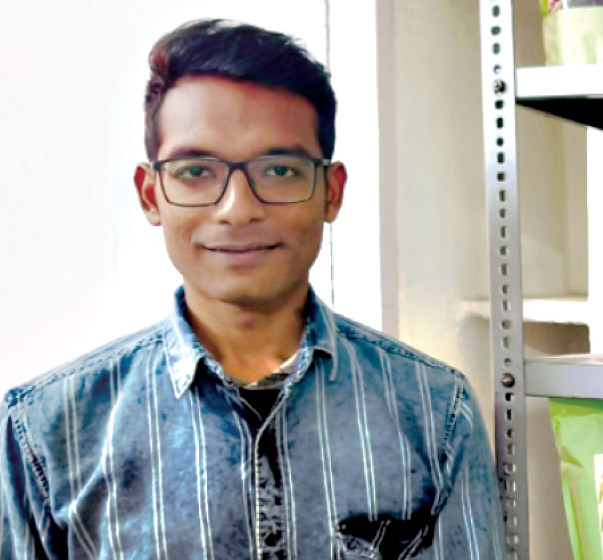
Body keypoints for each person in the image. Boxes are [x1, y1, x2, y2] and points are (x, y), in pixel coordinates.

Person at [0, 19, 503, 559]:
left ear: (331, 193)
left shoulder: (434, 412)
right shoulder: (46, 432)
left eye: (280, 170)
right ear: (151, 195)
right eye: (195, 171)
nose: (237, 210)